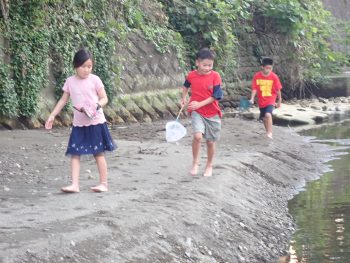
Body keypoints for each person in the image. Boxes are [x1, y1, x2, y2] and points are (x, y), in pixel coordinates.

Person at [45, 49, 116, 193]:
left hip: (96, 121)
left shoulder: (95, 79)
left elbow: (104, 98)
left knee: (98, 153)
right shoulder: (70, 81)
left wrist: (95, 106)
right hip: (79, 123)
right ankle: (74, 185)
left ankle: (103, 183)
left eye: (89, 66)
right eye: (83, 66)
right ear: (76, 66)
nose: (86, 70)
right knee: (75, 152)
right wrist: (52, 115)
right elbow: (63, 100)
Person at [181, 48, 223, 177]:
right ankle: (195, 163)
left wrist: (200, 103)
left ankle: (209, 165)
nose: (207, 68)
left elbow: (216, 96)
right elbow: (185, 86)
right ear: (197, 63)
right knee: (198, 136)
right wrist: (183, 98)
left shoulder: (215, 76)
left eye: (210, 65)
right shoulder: (191, 75)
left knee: (210, 141)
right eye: (205, 65)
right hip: (196, 111)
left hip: (212, 113)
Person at [249, 57, 282, 139]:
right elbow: (254, 88)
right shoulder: (257, 76)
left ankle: (270, 133)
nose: (268, 70)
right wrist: (252, 98)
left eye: (270, 68)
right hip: (261, 100)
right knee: (264, 118)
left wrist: (279, 100)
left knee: (268, 114)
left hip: (271, 99)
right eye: (267, 68)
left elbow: (278, 89)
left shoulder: (274, 77)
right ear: (262, 67)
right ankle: (267, 131)